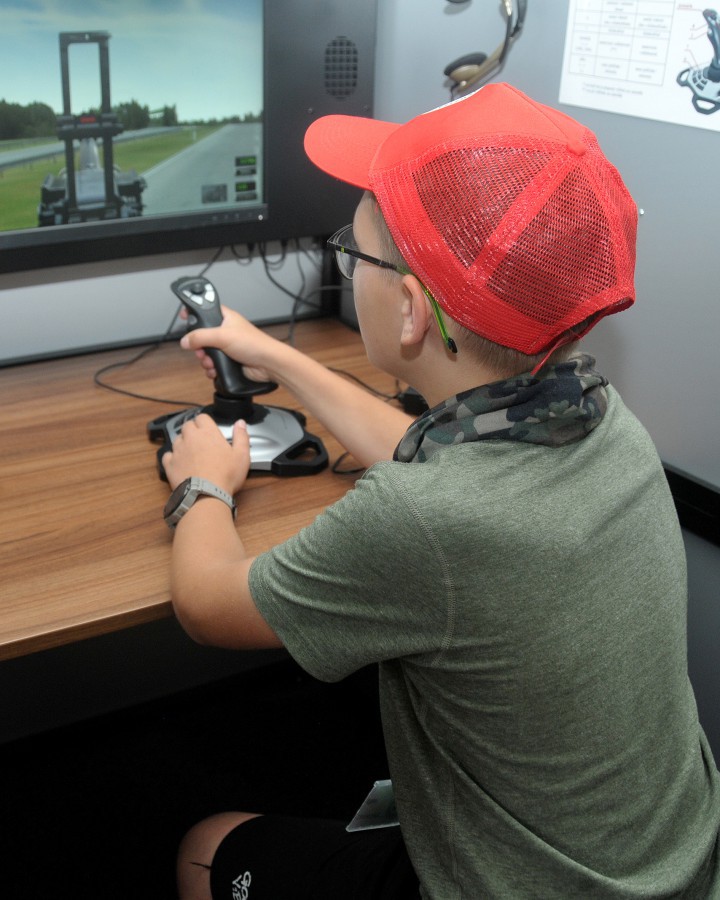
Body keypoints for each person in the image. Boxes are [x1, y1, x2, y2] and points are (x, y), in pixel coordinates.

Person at [164, 83, 720, 899]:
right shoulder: (603, 421)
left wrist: (203, 484)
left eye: (353, 254)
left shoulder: (420, 520)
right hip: (676, 868)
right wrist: (274, 355)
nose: (347, 265)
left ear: (410, 311)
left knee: (204, 844)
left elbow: (208, 606)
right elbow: (429, 452)